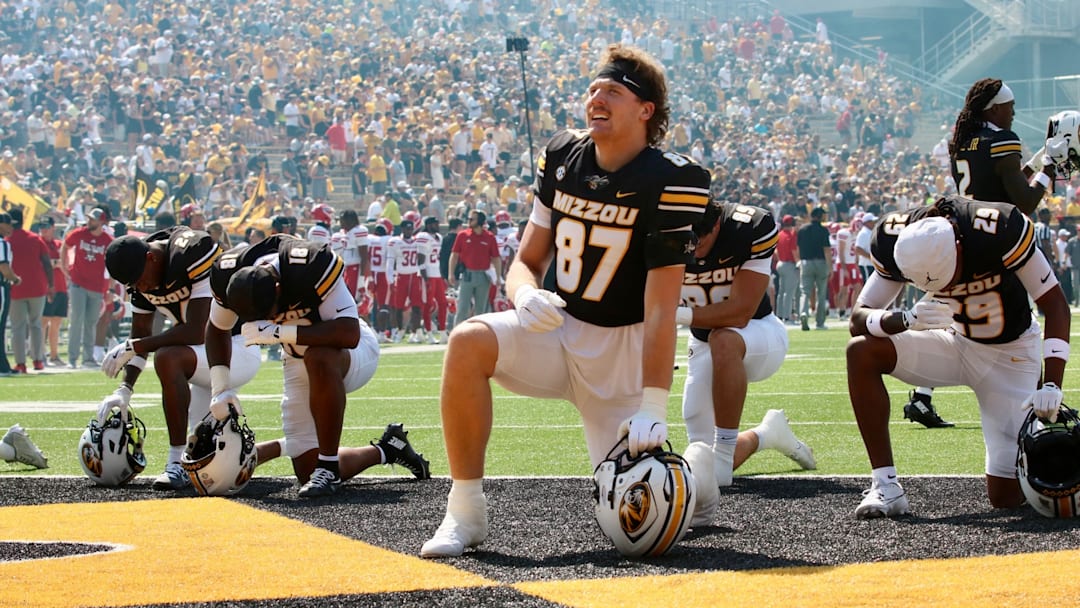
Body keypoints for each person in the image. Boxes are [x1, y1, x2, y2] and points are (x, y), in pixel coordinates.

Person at [421, 44, 710, 557]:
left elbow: (661, 307)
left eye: (613, 92)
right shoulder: (562, 157)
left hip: (622, 353)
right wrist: (524, 294)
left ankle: (701, 473)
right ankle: (464, 511)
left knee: (638, 532)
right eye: (593, 89)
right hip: (556, 332)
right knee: (467, 342)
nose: (596, 98)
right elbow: (526, 260)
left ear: (646, 110)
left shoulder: (672, 178)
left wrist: (653, 404)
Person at [846, 195, 1070, 518]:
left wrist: (1052, 384)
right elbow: (858, 320)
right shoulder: (896, 237)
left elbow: (1055, 305)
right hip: (952, 342)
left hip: (1010, 354)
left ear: (959, 247)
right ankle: (886, 486)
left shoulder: (997, 228)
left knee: (1005, 496)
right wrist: (904, 320)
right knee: (861, 352)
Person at [205, 234, 431, 497]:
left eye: (269, 312)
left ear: (278, 287)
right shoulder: (229, 273)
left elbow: (348, 333)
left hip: (350, 352)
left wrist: (279, 332)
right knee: (307, 471)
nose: (268, 318)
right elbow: (217, 328)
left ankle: (329, 468)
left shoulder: (309, 265)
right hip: (297, 360)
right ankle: (388, 449)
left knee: (318, 356)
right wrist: (220, 389)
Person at [905, 78, 1058, 428]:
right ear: (995, 108)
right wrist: (1049, 170)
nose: (1014, 112)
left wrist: (1037, 162)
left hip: (965, 237)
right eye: (1010, 107)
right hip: (996, 240)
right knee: (1021, 323)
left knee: (954, 314)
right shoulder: (1003, 140)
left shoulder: (963, 140)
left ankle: (922, 397)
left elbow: (999, 182)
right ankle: (1038, 406)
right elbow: (1023, 201)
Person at [676, 200, 816, 525]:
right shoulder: (662, 231)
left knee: (723, 338)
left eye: (699, 241)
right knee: (701, 459)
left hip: (758, 334)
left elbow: (740, 313)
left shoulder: (747, 227)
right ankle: (766, 435)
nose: (693, 251)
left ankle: (726, 452)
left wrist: (675, 314)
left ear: (716, 226)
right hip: (702, 342)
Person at [101, 227, 263, 491]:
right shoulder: (140, 266)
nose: (140, 288)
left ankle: (174, 462)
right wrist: (124, 389)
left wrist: (135, 346)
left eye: (139, 280)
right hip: (200, 359)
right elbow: (140, 332)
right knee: (204, 459)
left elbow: (197, 329)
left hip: (234, 348)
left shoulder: (191, 252)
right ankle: (284, 447)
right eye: (132, 284)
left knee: (167, 357)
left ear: (151, 258)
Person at [60, 208, 113, 368]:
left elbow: (112, 265)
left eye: (93, 219)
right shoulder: (79, 233)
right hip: (78, 284)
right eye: (89, 218)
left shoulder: (107, 240)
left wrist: (111, 289)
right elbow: (65, 246)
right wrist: (64, 266)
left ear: (101, 222)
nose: (89, 221)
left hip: (97, 286)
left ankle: (88, 358)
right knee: (76, 320)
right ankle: (72, 358)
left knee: (91, 323)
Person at [5, 207, 53, 373]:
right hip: (37, 288)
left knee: (17, 327)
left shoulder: (7, 240)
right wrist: (51, 285)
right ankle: (38, 360)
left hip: (15, 289)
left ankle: (20, 363)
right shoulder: (35, 238)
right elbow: (47, 263)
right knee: (36, 325)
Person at [447, 209, 501, 325]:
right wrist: (450, 273)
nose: (469, 221)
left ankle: (478, 333)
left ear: (480, 221)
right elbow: (454, 255)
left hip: (483, 276)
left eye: (472, 219)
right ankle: (458, 332)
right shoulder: (463, 235)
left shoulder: (489, 237)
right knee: (462, 307)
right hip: (467, 274)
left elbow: (496, 258)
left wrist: (498, 276)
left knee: (480, 310)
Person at [38, 216, 67, 366]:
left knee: (56, 323)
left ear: (53, 227)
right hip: (46, 288)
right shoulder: (38, 243)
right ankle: (40, 355)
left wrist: (55, 263)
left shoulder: (58, 244)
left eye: (46, 227)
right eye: (42, 227)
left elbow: (66, 262)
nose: (43, 230)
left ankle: (54, 355)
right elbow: (43, 263)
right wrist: (56, 263)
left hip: (61, 287)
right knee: (43, 322)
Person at [797, 206, 832, 331]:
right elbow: (826, 250)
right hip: (821, 262)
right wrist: (830, 267)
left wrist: (799, 260)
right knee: (821, 293)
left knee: (805, 291)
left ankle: (803, 312)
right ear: (819, 216)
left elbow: (798, 247)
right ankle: (819, 322)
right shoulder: (823, 230)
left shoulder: (802, 229)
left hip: (806, 262)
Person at [774, 214, 800, 324]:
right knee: (789, 293)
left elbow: (775, 251)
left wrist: (780, 259)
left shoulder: (779, 234)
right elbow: (794, 251)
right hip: (790, 264)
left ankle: (779, 315)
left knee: (781, 292)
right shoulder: (792, 235)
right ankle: (787, 317)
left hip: (780, 263)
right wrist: (798, 263)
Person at [0, 213, 17, 376]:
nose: (11, 227)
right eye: (8, 224)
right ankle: (1, 365)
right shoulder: (2, 243)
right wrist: (15, 279)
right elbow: (4, 268)